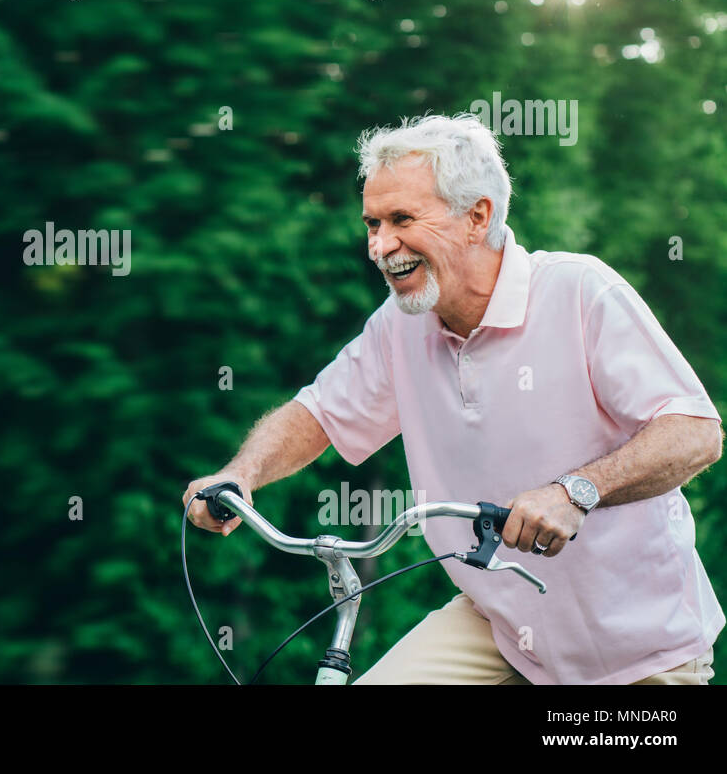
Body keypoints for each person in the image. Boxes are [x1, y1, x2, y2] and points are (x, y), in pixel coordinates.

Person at [182, 113, 723, 684]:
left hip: (636, 646)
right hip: (502, 624)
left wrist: (576, 493)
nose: (379, 245)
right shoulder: (401, 324)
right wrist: (242, 474)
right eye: (371, 223)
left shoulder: (578, 292)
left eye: (401, 220)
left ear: (477, 217)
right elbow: (318, 413)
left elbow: (695, 431)